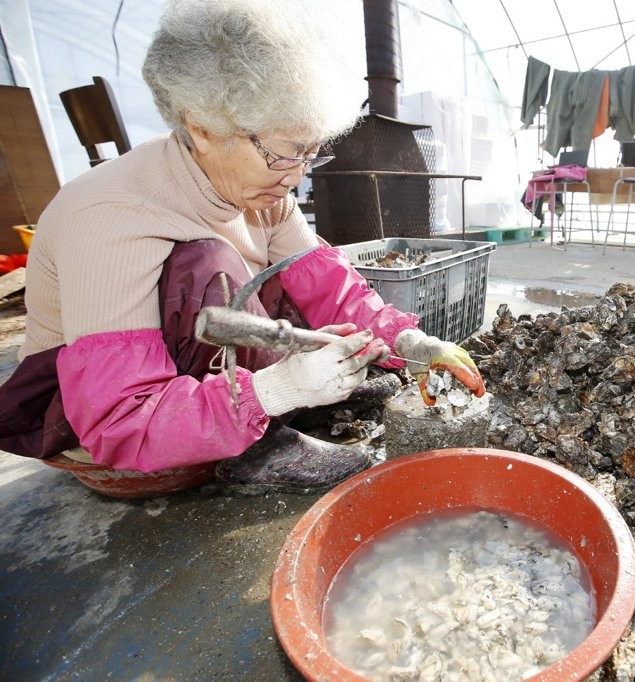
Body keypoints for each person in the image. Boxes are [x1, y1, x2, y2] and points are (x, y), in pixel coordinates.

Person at [0, 0, 485, 494]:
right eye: (282, 154)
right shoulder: (110, 217)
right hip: (116, 435)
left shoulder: (264, 192)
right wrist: (280, 390)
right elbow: (119, 422)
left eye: (310, 153)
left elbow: (330, 289)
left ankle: (289, 400)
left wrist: (409, 343)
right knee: (208, 263)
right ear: (201, 129)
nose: (296, 177)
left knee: (295, 273)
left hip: (204, 379)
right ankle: (260, 443)